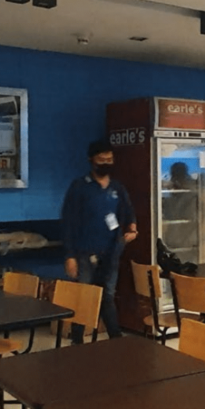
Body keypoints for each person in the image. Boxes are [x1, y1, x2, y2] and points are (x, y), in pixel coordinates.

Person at [61, 139, 137, 342]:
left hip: (112, 251)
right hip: (84, 252)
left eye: (109, 159)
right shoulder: (79, 186)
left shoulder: (117, 187)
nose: (106, 163)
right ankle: (79, 341)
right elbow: (68, 222)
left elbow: (128, 212)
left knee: (107, 295)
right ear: (91, 160)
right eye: (101, 159)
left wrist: (132, 228)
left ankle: (115, 340)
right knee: (84, 297)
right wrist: (70, 256)